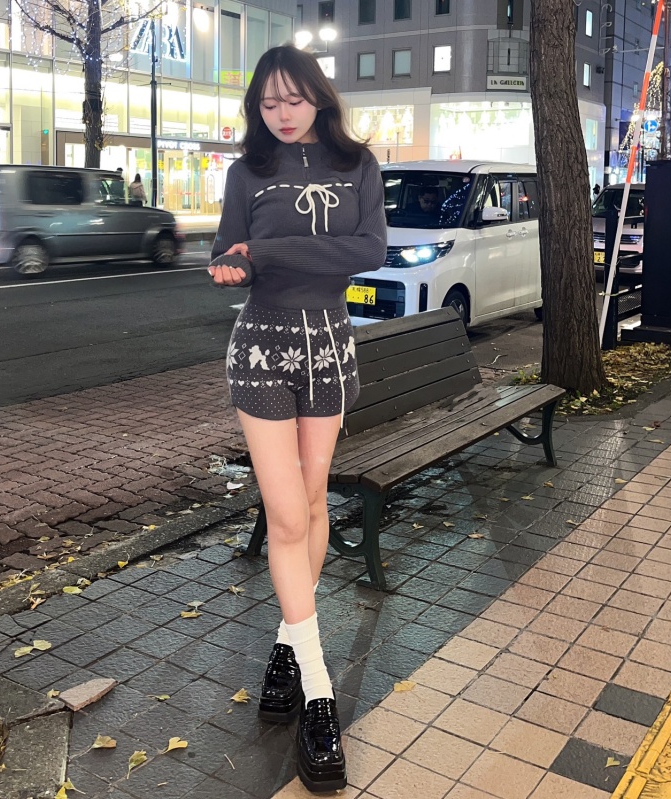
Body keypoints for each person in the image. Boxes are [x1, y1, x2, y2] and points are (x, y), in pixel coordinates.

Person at [207, 45, 386, 793]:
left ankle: (286, 644)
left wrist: (270, 248)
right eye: (268, 102)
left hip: (330, 351)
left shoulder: (357, 164)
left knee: (312, 506)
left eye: (294, 98)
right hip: (262, 350)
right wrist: (237, 264)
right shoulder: (246, 171)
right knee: (286, 515)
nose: (281, 113)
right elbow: (229, 251)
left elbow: (368, 249)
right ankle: (318, 693)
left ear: (319, 96)